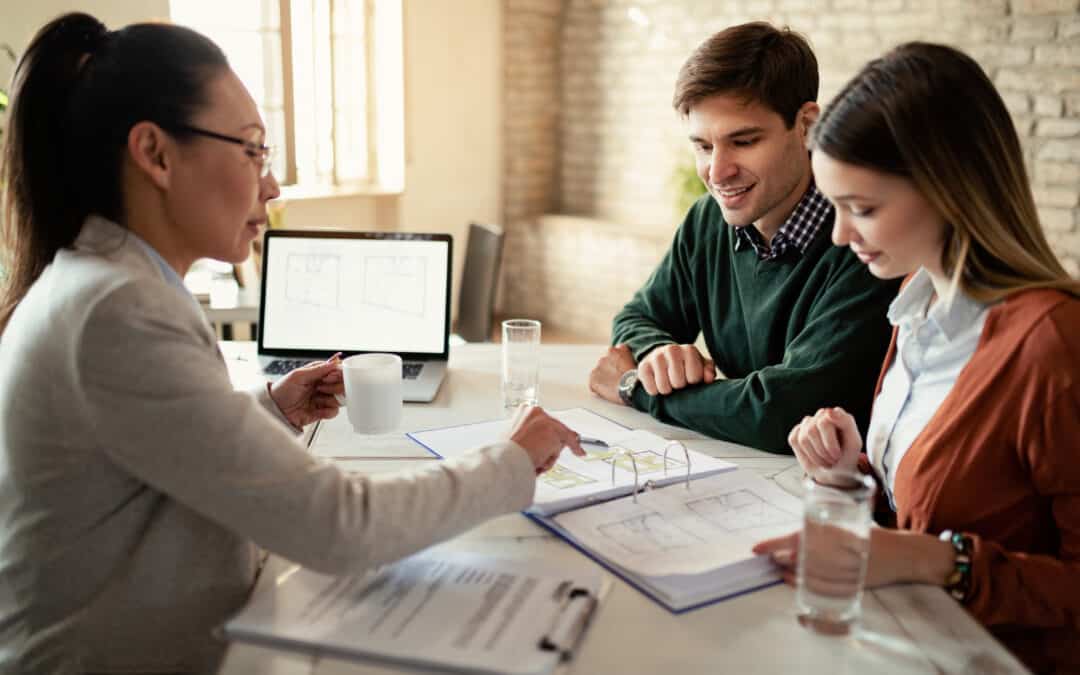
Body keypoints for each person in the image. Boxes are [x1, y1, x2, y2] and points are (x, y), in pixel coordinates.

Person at [0, 13, 584, 673]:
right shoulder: (116, 308)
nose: (271, 186)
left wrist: (269, 408)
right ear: (155, 154)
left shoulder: (105, 282)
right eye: (252, 149)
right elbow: (337, 525)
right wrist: (506, 461)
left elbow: (157, 450)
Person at [752, 43, 1080, 674]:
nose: (841, 237)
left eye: (862, 209)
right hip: (905, 636)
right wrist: (857, 475)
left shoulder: (1052, 345)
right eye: (835, 208)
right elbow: (935, 508)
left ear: (948, 188)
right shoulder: (915, 301)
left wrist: (939, 561)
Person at [588, 22, 899, 454]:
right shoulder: (708, 221)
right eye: (702, 146)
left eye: (744, 141)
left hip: (825, 489)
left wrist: (635, 388)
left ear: (806, 123)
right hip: (736, 471)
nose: (717, 173)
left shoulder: (863, 243)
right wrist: (660, 354)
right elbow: (637, 319)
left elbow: (783, 411)